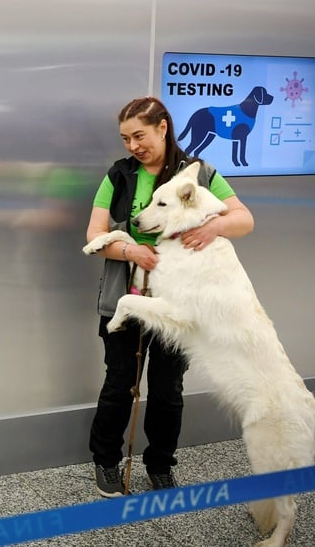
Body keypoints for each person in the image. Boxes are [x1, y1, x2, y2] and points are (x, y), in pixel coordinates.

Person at [85, 96, 253, 497]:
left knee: (166, 388)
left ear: (163, 127)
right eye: (125, 138)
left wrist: (213, 228)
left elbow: (244, 219)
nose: (132, 146)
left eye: (139, 136)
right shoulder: (119, 176)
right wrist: (132, 250)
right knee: (119, 382)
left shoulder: (198, 175)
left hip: (179, 302)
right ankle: (106, 461)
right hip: (126, 294)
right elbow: (94, 235)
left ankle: (160, 465)